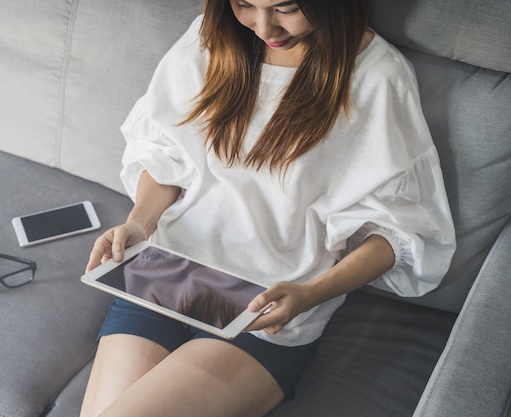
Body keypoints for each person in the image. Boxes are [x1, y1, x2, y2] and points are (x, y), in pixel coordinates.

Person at [79, 0, 456, 416]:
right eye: (244, 4)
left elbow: (397, 232)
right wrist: (139, 225)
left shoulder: (377, 77)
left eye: (286, 7)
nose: (263, 26)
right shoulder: (212, 38)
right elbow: (166, 157)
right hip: (168, 272)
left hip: (265, 308)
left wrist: (309, 295)